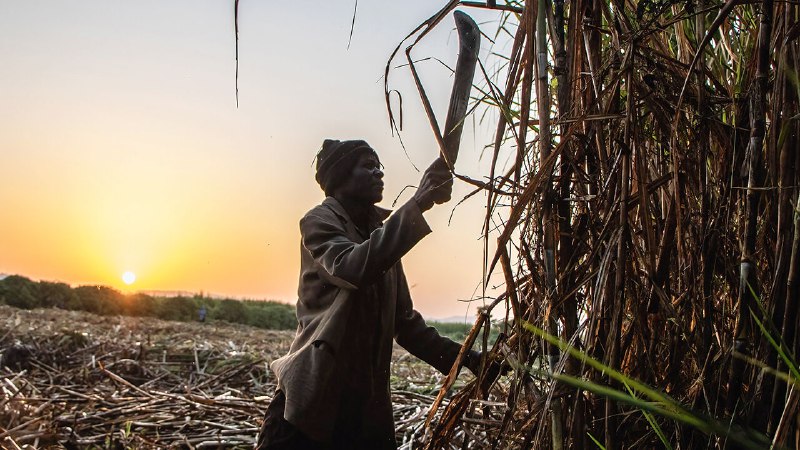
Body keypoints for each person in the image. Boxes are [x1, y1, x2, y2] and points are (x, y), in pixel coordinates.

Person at [255, 139, 482, 449]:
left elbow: (407, 326)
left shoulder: (380, 239)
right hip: (313, 406)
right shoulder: (319, 222)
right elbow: (351, 268)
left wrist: (469, 358)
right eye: (369, 166)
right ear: (341, 177)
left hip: (362, 413)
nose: (379, 173)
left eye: (380, 166)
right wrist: (419, 204)